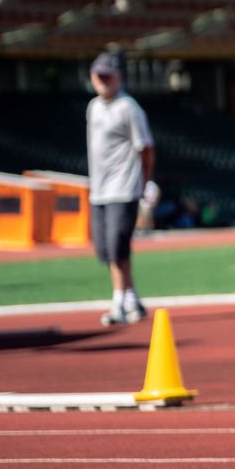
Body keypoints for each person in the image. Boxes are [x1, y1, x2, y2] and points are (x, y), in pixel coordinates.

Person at [85, 52, 156, 325]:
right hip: (99, 190)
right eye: (98, 75)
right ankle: (131, 297)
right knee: (106, 250)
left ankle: (118, 302)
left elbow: (146, 148)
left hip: (123, 187)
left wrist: (145, 182)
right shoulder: (92, 107)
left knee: (117, 246)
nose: (103, 80)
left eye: (108, 75)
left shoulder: (129, 108)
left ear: (119, 77)